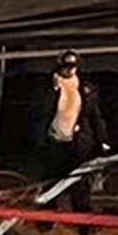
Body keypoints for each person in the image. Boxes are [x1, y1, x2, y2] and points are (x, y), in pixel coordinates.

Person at [37, 56, 98, 204]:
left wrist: (101, 139)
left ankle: (81, 211)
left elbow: (93, 115)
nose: (69, 70)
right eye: (66, 67)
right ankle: (48, 211)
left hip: (77, 140)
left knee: (79, 179)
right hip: (54, 139)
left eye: (73, 67)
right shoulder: (50, 86)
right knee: (51, 178)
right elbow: (42, 112)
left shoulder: (84, 88)